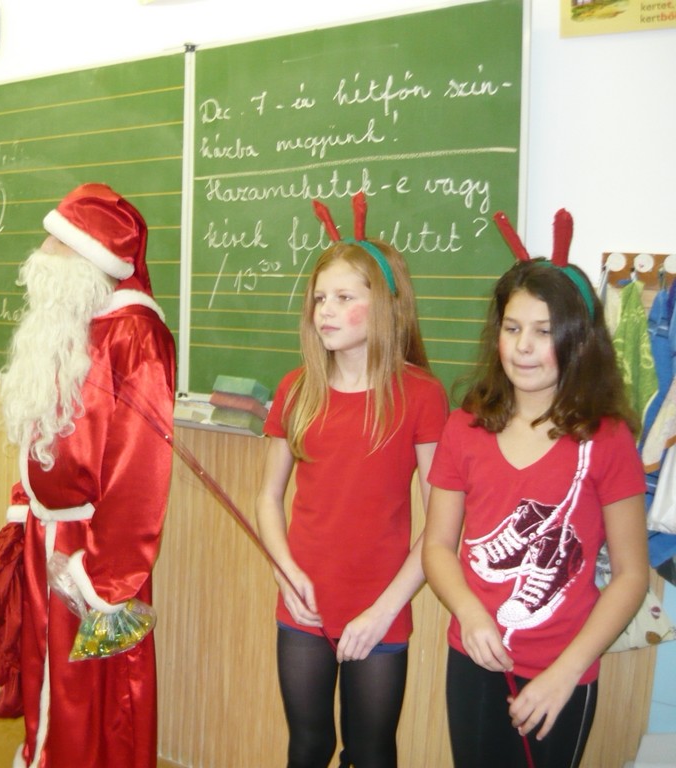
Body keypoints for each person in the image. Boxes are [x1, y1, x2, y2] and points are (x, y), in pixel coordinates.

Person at [421, 210, 649, 768]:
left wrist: (566, 673)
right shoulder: (465, 426)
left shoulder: (606, 438)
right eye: (512, 327)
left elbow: (631, 576)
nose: (523, 346)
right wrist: (470, 613)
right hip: (475, 659)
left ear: (578, 339)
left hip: (561, 673)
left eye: (544, 332)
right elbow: (437, 546)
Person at [0, 183, 176, 768]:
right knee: (47, 677)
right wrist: (25, 507)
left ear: (92, 257)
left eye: (57, 242)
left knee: (94, 699)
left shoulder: (134, 333)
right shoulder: (68, 327)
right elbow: (42, 438)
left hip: (92, 553)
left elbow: (140, 469)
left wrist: (103, 578)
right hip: (46, 539)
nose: (41, 253)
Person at [255, 193, 448, 768]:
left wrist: (383, 611)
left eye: (344, 298)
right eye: (320, 298)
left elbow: (442, 524)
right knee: (308, 746)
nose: (326, 311)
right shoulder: (296, 390)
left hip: (381, 609)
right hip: (304, 607)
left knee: (371, 752)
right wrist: (285, 573)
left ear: (384, 305)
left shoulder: (421, 396)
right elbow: (268, 498)